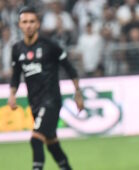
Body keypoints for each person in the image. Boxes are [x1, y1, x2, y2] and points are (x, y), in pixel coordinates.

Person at [7, 6, 84, 170]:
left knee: (35, 140)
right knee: (52, 144)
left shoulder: (50, 46)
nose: (28, 25)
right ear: (20, 25)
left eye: (32, 22)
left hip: (51, 101)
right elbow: (16, 75)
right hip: (34, 102)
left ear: (38, 24)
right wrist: (12, 94)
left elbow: (70, 69)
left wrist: (78, 93)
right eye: (25, 22)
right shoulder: (17, 49)